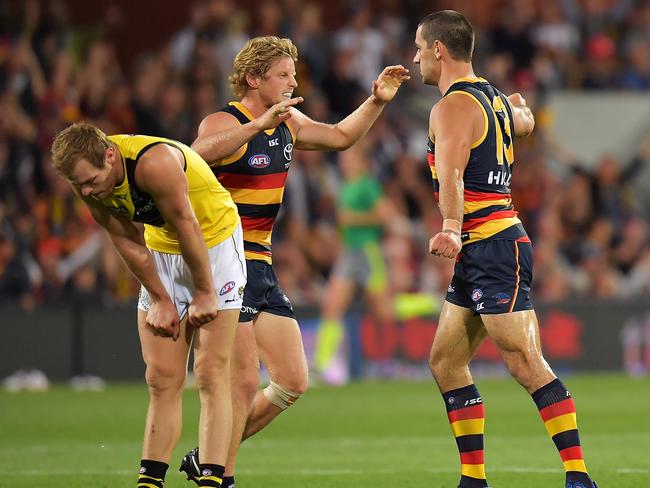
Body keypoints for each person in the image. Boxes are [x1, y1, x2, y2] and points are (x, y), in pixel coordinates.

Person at [179, 36, 409, 487]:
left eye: (293, 74)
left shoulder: (289, 122)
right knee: (242, 383)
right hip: (224, 262)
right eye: (283, 75)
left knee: (292, 380)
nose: (293, 82)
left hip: (260, 265)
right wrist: (254, 125)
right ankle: (219, 476)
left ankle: (206, 457)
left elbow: (342, 137)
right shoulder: (222, 121)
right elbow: (191, 157)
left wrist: (376, 101)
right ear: (254, 78)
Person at [413, 10, 597, 488]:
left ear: (438, 49)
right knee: (446, 362)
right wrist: (525, 112)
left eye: (418, 48)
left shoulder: (451, 106)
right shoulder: (492, 97)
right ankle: (473, 480)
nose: (415, 58)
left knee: (525, 363)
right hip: (486, 250)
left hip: (492, 245)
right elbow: (524, 123)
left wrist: (451, 227)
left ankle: (578, 477)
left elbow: (452, 172)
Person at [51, 122, 247, 488]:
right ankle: (149, 483)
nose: (87, 191)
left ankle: (211, 480)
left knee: (209, 372)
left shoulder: (153, 163)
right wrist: (160, 298)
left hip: (214, 244)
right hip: (163, 249)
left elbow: (187, 225)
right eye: (79, 185)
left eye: (90, 180)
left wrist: (205, 292)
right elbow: (124, 238)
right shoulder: (86, 179)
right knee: (160, 378)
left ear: (110, 155)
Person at [315, 144, 396, 384]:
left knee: (385, 312)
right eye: (343, 160)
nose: (344, 163)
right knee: (332, 306)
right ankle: (321, 365)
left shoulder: (367, 185)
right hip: (350, 253)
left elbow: (386, 215)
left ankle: (426, 304)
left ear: (361, 161)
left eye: (349, 159)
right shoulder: (345, 187)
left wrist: (354, 219)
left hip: (368, 252)